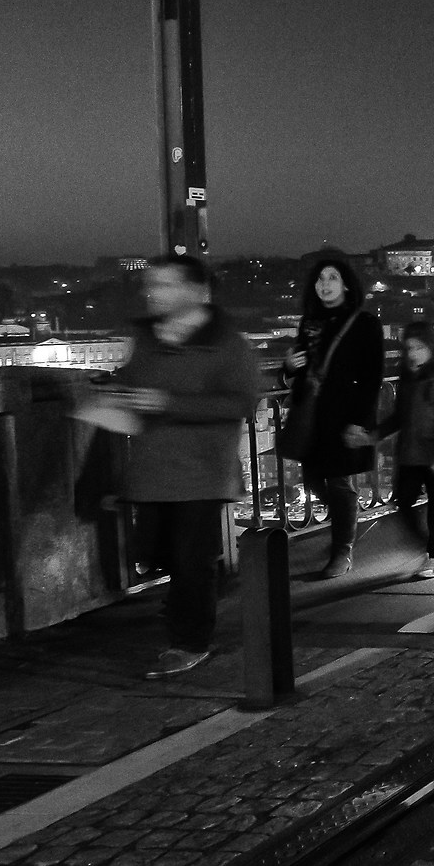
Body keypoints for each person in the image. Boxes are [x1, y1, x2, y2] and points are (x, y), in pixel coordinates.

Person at [108, 257, 263, 678]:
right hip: (152, 468)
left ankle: (190, 641)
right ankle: (195, 603)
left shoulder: (227, 342)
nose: (152, 292)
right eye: (150, 284)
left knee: (191, 559)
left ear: (195, 291)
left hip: (201, 469)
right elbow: (131, 382)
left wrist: (169, 403)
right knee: (154, 554)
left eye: (164, 284)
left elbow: (242, 402)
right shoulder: (145, 335)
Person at [286, 254, 383, 581]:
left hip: (343, 414)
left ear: (345, 283)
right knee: (313, 478)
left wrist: (360, 420)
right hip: (311, 412)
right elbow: (298, 366)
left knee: (339, 481)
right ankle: (347, 519)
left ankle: (342, 550)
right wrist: (289, 366)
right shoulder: (308, 322)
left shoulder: (364, 322)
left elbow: (373, 376)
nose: (324, 285)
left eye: (331, 278)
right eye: (320, 279)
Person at [377, 320, 434, 577]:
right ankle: (429, 545)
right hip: (411, 450)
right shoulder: (409, 376)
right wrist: (373, 435)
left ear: (432, 347)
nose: (413, 353)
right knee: (403, 500)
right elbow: (400, 416)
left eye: (419, 347)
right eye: (409, 348)